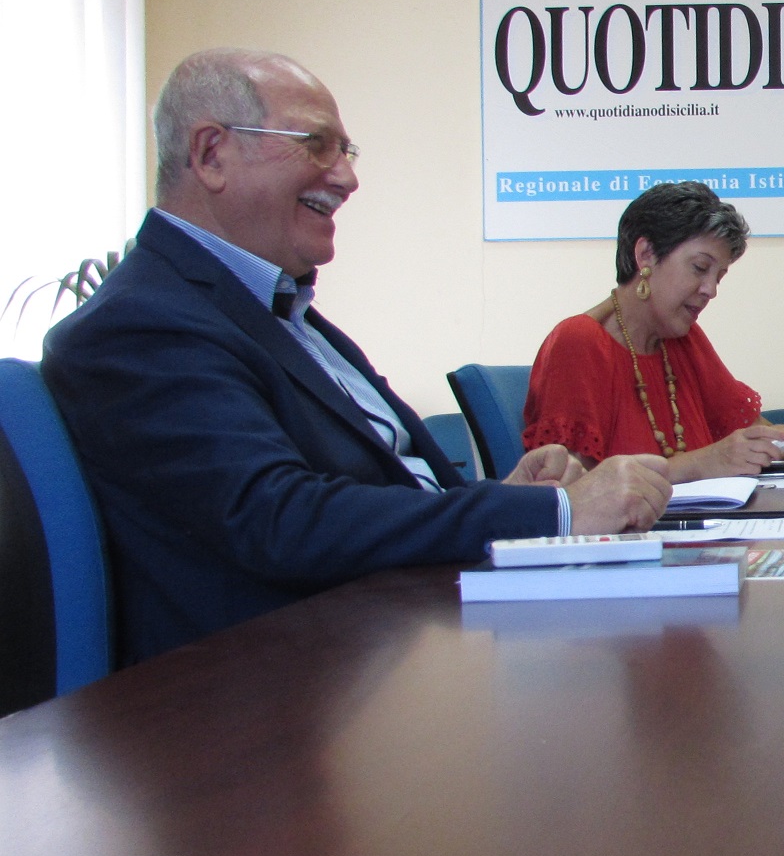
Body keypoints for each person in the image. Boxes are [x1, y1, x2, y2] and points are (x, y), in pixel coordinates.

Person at [43, 49, 679, 666]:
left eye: (345, 151)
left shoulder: (277, 308)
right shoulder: (141, 321)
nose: (347, 178)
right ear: (212, 154)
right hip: (281, 692)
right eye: (315, 144)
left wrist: (504, 497)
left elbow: (385, 492)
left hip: (398, 635)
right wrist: (557, 511)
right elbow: (278, 520)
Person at [520, 181, 784, 479]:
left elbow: (753, 433)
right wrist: (703, 462)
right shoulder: (579, 341)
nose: (711, 290)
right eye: (700, 268)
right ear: (646, 254)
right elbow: (569, 490)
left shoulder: (683, 339)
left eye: (719, 276)